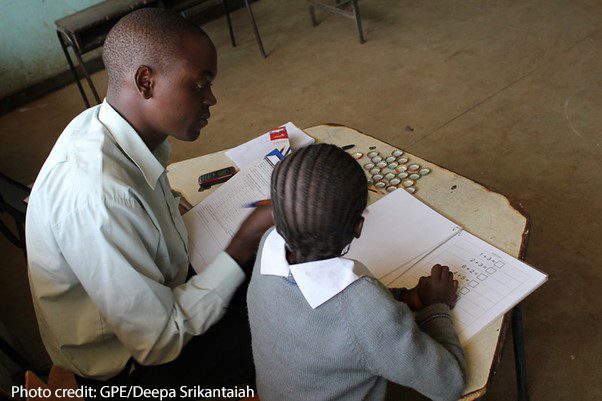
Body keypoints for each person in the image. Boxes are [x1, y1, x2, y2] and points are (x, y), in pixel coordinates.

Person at [26, 8, 272, 392]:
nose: (212, 98)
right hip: (130, 367)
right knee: (289, 333)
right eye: (199, 84)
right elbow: (157, 342)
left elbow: (152, 198)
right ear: (146, 81)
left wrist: (184, 209)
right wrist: (242, 241)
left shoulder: (113, 126)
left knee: (272, 278)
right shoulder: (98, 197)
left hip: (161, 289)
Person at [247, 144, 467, 401]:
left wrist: (407, 298)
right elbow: (449, 384)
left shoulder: (267, 246)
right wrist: (435, 307)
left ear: (275, 214)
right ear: (358, 227)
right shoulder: (361, 305)